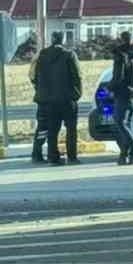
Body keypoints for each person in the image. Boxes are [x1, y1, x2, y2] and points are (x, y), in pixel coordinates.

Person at [30, 32, 83, 165]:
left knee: (51, 130)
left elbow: (33, 76)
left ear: (52, 39)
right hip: (66, 99)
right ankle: (72, 157)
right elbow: (77, 76)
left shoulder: (41, 55)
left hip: (47, 100)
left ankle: (52, 157)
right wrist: (76, 94)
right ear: (62, 40)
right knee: (71, 129)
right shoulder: (69, 55)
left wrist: (40, 90)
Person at [108, 32, 133, 166]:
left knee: (120, 123)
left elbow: (118, 77)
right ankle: (124, 156)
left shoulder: (120, 55)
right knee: (127, 124)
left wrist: (110, 88)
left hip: (123, 93)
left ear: (121, 40)